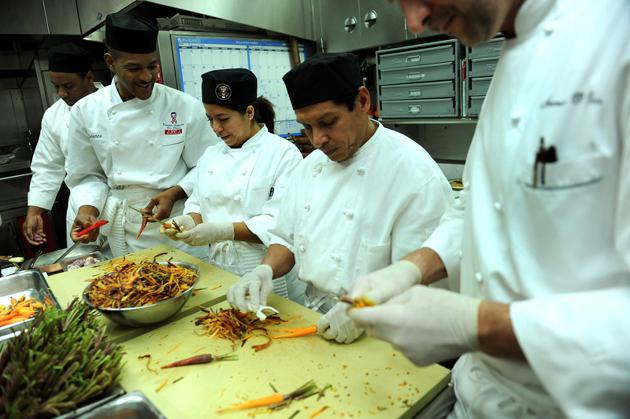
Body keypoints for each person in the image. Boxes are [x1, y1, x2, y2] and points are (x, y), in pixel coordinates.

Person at [349, 0, 630, 417]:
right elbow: (481, 205)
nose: (415, 20)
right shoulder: (512, 47)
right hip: (474, 394)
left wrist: (475, 324)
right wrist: (412, 268)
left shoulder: (615, 37)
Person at [227, 53, 452, 344]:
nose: (317, 139)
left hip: (387, 334)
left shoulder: (414, 175)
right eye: (307, 127)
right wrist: (263, 270)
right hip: (317, 319)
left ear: (362, 101)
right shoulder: (310, 167)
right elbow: (287, 238)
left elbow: (427, 279)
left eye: (328, 122)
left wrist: (364, 308)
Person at [65, 13, 217, 257]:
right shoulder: (86, 111)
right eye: (134, 68)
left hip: (175, 223)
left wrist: (175, 192)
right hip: (122, 224)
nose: (147, 77)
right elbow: (85, 175)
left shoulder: (184, 105)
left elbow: (209, 166)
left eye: (152, 66)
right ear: (110, 62)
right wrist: (87, 209)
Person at [162, 68, 302, 298]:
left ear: (249, 112)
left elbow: (281, 224)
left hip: (267, 270)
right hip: (220, 267)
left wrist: (221, 230)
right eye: (210, 119)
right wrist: (187, 221)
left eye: (223, 119)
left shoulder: (283, 154)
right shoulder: (210, 155)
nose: (216, 128)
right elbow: (199, 205)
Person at [24, 43, 102, 247]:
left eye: (68, 86)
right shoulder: (53, 115)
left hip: (120, 207)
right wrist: (35, 209)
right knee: (85, 270)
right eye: (56, 87)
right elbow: (48, 166)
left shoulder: (113, 104)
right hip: (81, 212)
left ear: (88, 78)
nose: (61, 93)